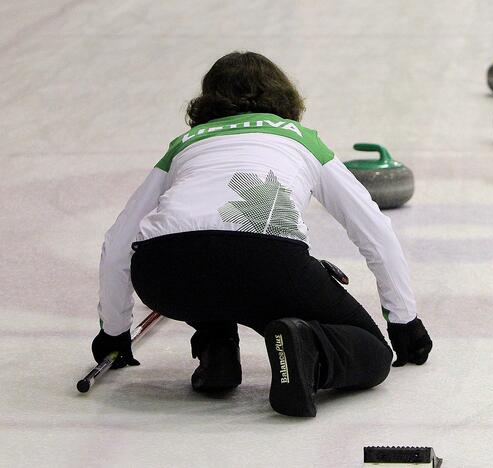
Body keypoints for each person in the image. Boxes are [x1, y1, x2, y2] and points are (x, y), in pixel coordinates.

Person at [90, 51, 432, 417]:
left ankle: (217, 355)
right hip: (265, 264)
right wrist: (403, 320)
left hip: (165, 272)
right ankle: (309, 349)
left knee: (208, 259)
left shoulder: (186, 144)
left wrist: (114, 331)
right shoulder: (300, 138)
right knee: (372, 352)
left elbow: (117, 243)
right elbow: (374, 230)